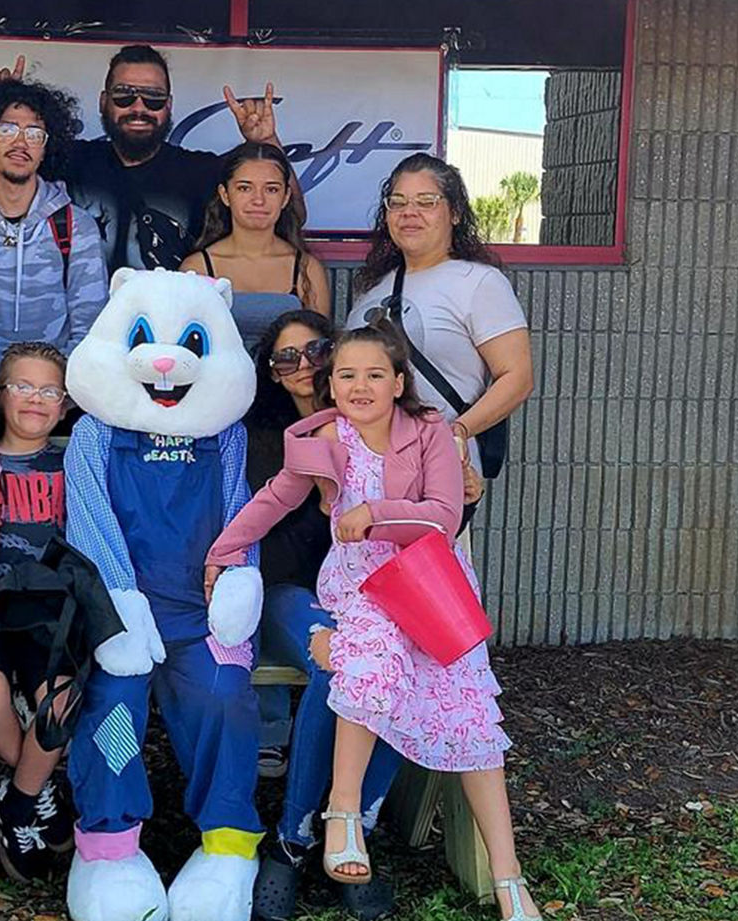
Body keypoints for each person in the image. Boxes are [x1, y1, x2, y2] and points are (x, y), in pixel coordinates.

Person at [207, 323, 542, 921]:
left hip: (429, 587)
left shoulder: (432, 433)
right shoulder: (320, 437)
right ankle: (342, 812)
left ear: (398, 382)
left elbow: (442, 515)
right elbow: (274, 499)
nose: (359, 385)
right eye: (346, 374)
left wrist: (375, 512)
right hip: (361, 588)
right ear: (330, 384)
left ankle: (508, 875)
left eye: (374, 374)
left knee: (468, 708)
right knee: (367, 660)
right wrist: (223, 550)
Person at [237, 311, 404, 921]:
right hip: (291, 590)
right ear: (272, 374)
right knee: (339, 662)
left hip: (379, 595)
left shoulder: (386, 423)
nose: (302, 364)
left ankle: (353, 825)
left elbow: (428, 514)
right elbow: (260, 512)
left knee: (399, 665)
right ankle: (294, 838)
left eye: (315, 349)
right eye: (286, 358)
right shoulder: (264, 434)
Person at [0, 46, 301, 273]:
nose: (138, 107)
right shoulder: (66, 160)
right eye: (124, 95)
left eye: (153, 98)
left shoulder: (200, 172)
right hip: (78, 333)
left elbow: (292, 215)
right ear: (104, 102)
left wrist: (265, 143)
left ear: (168, 106)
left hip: (166, 345)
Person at [348, 153, 533, 520]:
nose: (409, 212)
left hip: (436, 473)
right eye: (397, 203)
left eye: (426, 202)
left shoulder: (479, 283)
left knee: (422, 576)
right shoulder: (372, 289)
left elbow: (518, 377)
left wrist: (457, 432)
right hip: (364, 474)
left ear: (455, 213)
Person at [0, 341, 77, 882]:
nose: (35, 400)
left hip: (49, 614)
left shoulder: (74, 457)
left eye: (49, 390)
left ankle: (17, 803)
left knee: (61, 703)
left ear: (66, 402)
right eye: (23, 387)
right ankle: (39, 784)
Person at [0, 79, 107, 375]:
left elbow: (90, 326)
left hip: (53, 401)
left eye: (34, 133)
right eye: (6, 129)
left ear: (46, 147)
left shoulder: (77, 227)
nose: (21, 142)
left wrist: (53, 392)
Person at [180, 142, 330, 350]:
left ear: (286, 197)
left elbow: (318, 352)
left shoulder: (306, 268)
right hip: (221, 382)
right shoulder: (197, 268)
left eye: (271, 189)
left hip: (286, 382)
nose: (258, 200)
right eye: (244, 188)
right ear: (225, 194)